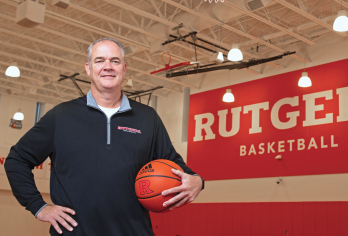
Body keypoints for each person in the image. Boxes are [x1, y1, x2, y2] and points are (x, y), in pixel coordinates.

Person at [5, 37, 204, 236]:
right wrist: (38, 206)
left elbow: (174, 165)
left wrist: (197, 180)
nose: (107, 66)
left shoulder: (147, 118)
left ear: (124, 69)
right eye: (99, 61)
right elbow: (17, 160)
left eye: (114, 61)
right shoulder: (62, 116)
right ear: (88, 68)